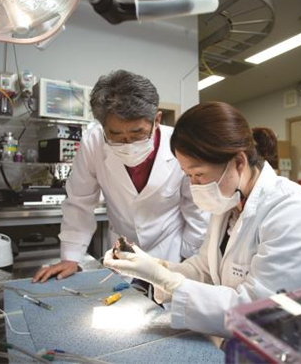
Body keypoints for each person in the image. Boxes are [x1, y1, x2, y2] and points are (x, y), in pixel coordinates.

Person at [103, 101, 301, 337]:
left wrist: (168, 282)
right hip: (247, 343)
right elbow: (206, 270)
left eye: (198, 174)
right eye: (188, 175)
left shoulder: (294, 211)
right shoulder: (230, 203)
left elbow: (263, 310)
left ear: (238, 162)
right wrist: (155, 268)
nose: (193, 185)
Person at [33, 70, 209, 283]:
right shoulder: (92, 143)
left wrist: (190, 259)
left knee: (168, 307)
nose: (128, 144)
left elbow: (196, 209)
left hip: (170, 249)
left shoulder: (178, 145)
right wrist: (71, 257)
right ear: (103, 127)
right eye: (116, 136)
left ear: (157, 119)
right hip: (122, 250)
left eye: (137, 134)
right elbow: (79, 202)